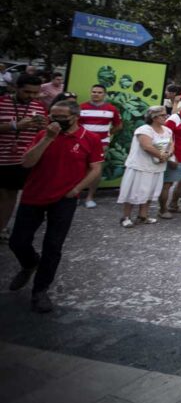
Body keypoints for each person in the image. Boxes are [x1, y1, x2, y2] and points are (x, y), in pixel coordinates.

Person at [8, 100, 103, 312]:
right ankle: (30, 263)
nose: (56, 121)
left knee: (53, 245)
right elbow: (27, 162)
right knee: (18, 241)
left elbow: (95, 169)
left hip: (64, 198)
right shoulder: (43, 135)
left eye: (61, 117)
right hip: (34, 195)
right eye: (53, 116)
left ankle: (40, 290)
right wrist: (48, 139)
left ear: (75, 117)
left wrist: (77, 189)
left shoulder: (90, 139)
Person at [0, 74, 48, 240]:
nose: (32, 96)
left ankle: (2, 228)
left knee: (10, 195)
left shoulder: (39, 106)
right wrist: (14, 126)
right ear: (16, 88)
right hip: (2, 157)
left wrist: (42, 127)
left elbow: (42, 132)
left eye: (35, 93)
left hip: (20, 159)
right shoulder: (2, 102)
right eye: (27, 92)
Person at [117, 106, 173, 226]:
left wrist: (168, 154)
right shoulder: (144, 130)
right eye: (163, 115)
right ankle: (126, 217)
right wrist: (162, 156)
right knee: (133, 191)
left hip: (156, 167)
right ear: (154, 117)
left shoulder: (167, 130)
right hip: (140, 166)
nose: (165, 117)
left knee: (149, 191)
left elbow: (171, 144)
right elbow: (146, 146)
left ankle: (143, 215)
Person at [79, 84, 123, 209]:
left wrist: (107, 136)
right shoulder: (81, 107)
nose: (96, 94)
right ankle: (75, 194)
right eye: (93, 92)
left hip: (101, 143)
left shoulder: (111, 109)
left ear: (104, 94)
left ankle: (90, 197)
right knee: (78, 168)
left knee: (96, 170)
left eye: (99, 92)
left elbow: (118, 126)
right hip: (82, 143)